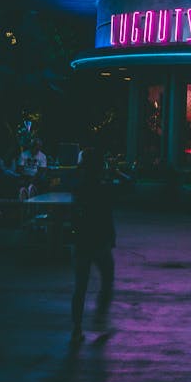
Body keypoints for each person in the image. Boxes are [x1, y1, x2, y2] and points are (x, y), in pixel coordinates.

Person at [70, 146, 116, 345]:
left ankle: (77, 329)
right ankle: (99, 317)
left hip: (81, 241)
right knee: (107, 278)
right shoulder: (103, 187)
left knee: (80, 287)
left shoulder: (79, 185)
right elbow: (107, 216)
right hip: (99, 242)